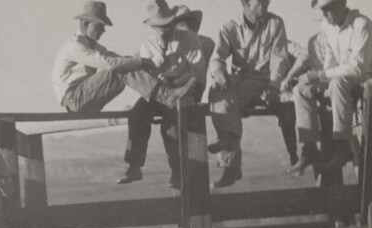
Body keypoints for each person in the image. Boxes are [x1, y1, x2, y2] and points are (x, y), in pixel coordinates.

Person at [288, 0, 372, 175]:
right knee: (301, 88)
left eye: (328, 9)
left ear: (342, 4)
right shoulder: (327, 27)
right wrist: (315, 81)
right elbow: (331, 63)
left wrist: (320, 75)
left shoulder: (362, 24)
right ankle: (309, 147)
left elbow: (358, 67)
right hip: (346, 74)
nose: (324, 14)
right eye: (322, 10)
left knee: (338, 83)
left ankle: (341, 145)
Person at [206, 0, 295, 188]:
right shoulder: (230, 28)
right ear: (245, 3)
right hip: (239, 79)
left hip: (262, 79)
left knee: (228, 103)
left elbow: (279, 59)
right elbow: (216, 57)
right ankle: (229, 145)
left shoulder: (275, 23)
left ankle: (230, 161)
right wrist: (219, 73)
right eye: (261, 1)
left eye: (267, 1)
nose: (266, 3)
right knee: (216, 91)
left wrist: (273, 85)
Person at [52, 1, 199, 115]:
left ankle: (165, 95)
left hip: (83, 99)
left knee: (126, 63)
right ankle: (166, 95)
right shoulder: (75, 46)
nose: (104, 30)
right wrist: (141, 61)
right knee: (121, 68)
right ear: (85, 24)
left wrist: (144, 64)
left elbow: (119, 58)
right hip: (74, 100)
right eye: (100, 26)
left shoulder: (93, 45)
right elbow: (111, 64)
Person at [120, 0, 205, 189]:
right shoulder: (146, 46)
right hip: (161, 93)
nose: (163, 30)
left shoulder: (189, 39)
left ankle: (177, 170)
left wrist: (175, 84)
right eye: (159, 27)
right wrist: (135, 101)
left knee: (171, 121)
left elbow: (197, 73)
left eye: (166, 25)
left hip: (185, 90)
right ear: (153, 27)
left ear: (172, 22)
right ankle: (134, 165)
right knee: (138, 113)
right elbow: (146, 83)